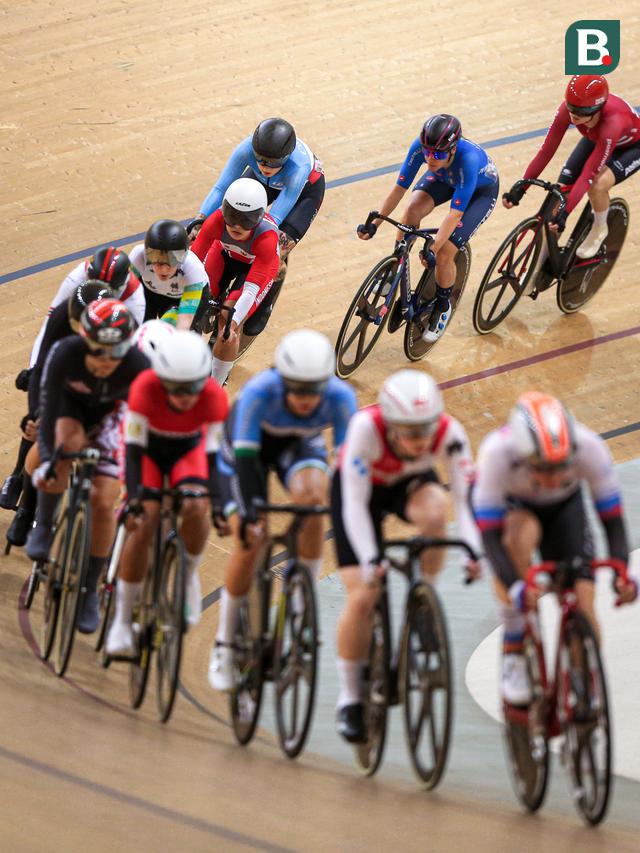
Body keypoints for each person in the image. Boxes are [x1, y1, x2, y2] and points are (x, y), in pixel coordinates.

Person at [331, 369, 481, 742]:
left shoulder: (450, 433)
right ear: (390, 424)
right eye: (411, 432)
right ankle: (349, 698)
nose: (421, 439)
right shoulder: (366, 428)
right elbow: (352, 505)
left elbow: (465, 504)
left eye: (427, 429)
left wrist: (473, 550)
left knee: (435, 513)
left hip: (407, 484)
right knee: (363, 594)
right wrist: (369, 558)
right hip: (359, 494)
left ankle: (423, 598)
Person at [208, 329, 357, 691]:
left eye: (313, 390)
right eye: (297, 388)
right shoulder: (260, 392)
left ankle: (300, 586)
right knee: (252, 535)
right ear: (282, 378)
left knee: (314, 500)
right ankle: (225, 645)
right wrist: (251, 514)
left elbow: (347, 467)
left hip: (297, 446)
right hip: (246, 453)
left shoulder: (340, 396)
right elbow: (245, 463)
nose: (306, 399)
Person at [472, 391, 637, 706]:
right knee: (518, 539)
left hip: (565, 509)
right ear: (522, 455)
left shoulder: (589, 448)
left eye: (561, 465)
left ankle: (583, 675)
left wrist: (621, 573)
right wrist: (517, 587)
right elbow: (491, 539)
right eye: (543, 467)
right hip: (515, 508)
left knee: (583, 602)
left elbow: (613, 522)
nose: (555, 476)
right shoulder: (497, 454)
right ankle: (515, 648)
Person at [26, 299, 149, 634]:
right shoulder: (65, 352)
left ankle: (89, 589)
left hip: (112, 418)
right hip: (71, 409)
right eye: (98, 350)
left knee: (104, 501)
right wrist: (52, 458)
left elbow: (140, 431)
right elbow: (49, 409)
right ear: (84, 340)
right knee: (65, 445)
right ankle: (44, 525)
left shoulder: (140, 366)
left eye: (115, 352)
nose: (106, 361)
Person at [106, 331, 229, 656]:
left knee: (196, 505)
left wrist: (216, 503)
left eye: (192, 387)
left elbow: (215, 459)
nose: (185, 395)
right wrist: (134, 498)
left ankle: (188, 575)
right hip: (146, 453)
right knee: (144, 522)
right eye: (176, 387)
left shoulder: (214, 397)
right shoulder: (144, 388)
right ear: (161, 378)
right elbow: (132, 452)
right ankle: (121, 619)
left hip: (186, 452)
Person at [0, 247, 144, 514]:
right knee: (38, 415)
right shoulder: (76, 278)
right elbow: (49, 331)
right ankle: (18, 477)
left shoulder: (134, 297)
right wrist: (34, 369)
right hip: (70, 345)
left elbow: (127, 355)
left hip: (105, 352)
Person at [357, 114, 499, 341]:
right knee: (411, 210)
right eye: (427, 152)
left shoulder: (468, 160)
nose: (430, 159)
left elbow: (455, 214)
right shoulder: (421, 149)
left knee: (445, 252)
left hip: (478, 194)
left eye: (439, 154)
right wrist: (375, 223)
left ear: (452, 150)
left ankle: (443, 306)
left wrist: (432, 248)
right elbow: (398, 190)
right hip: (445, 178)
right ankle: (394, 269)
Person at [5, 281, 111, 549]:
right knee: (46, 443)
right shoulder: (65, 333)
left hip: (107, 398)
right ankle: (27, 508)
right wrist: (39, 414)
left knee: (107, 490)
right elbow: (46, 379)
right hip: (70, 391)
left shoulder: (122, 335)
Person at [188, 117, 325, 321]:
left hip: (304, 193)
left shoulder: (298, 166)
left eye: (273, 162)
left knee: (276, 247)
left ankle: (269, 291)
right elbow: (221, 187)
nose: (264, 165)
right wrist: (200, 220)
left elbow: (274, 218)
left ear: (286, 157)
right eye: (260, 158)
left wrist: (263, 245)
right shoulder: (246, 149)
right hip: (263, 182)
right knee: (231, 213)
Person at [503, 75, 640, 258]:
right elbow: (546, 152)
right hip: (596, 137)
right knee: (560, 191)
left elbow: (588, 175)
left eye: (580, 114)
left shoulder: (612, 123)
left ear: (596, 110)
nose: (573, 117)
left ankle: (600, 227)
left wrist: (565, 214)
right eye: (571, 110)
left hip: (631, 148)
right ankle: (545, 258)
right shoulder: (567, 111)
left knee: (597, 186)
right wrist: (522, 185)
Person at [191, 178, 280, 386]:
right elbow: (193, 263)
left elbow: (249, 291)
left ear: (258, 218)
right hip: (224, 255)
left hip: (254, 269)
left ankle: (217, 383)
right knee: (196, 295)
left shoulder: (267, 238)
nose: (237, 225)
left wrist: (232, 322)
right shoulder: (216, 220)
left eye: (246, 220)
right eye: (232, 217)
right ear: (224, 211)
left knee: (228, 319)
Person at [129, 220, 208, 329]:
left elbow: (185, 319)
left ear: (182, 257)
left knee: (166, 331)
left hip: (183, 297)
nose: (164, 269)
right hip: (151, 292)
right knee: (136, 328)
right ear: (147, 253)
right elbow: (122, 292)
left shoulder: (193, 267)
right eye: (157, 259)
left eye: (172, 260)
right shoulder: (138, 254)